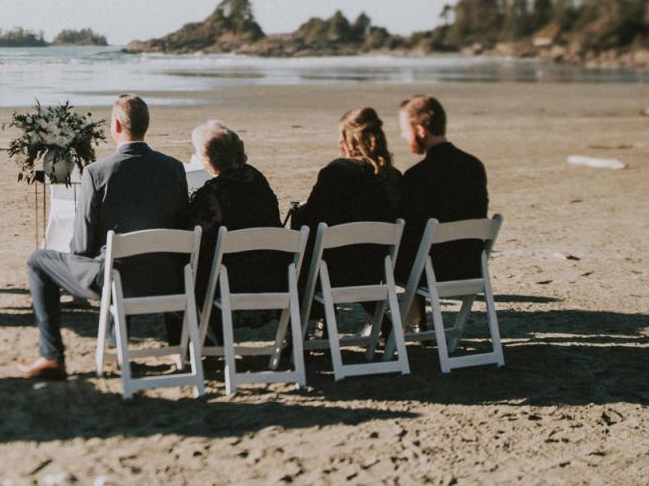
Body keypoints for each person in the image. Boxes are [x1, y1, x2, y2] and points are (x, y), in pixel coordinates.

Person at [18, 94, 189, 380]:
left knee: (40, 261)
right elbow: (181, 226)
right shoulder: (174, 168)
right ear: (145, 126)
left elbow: (82, 246)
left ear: (117, 127)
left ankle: (51, 356)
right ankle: (113, 343)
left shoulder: (97, 173)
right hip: (168, 278)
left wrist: (75, 256)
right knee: (125, 255)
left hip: (118, 279)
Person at [290, 107, 403, 286]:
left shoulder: (337, 171)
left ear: (347, 139)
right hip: (375, 270)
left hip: (332, 270)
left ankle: (312, 306)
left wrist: (299, 209)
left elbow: (313, 216)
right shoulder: (393, 177)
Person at [187, 122, 282, 325]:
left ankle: (203, 342)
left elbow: (194, 235)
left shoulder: (215, 193)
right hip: (272, 273)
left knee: (187, 271)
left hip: (231, 280)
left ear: (208, 158)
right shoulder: (257, 181)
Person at [398, 95, 488, 281]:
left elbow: (409, 231)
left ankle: (412, 311)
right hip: (470, 265)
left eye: (405, 130)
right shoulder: (474, 166)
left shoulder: (417, 175)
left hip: (432, 270)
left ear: (421, 131)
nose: (403, 136)